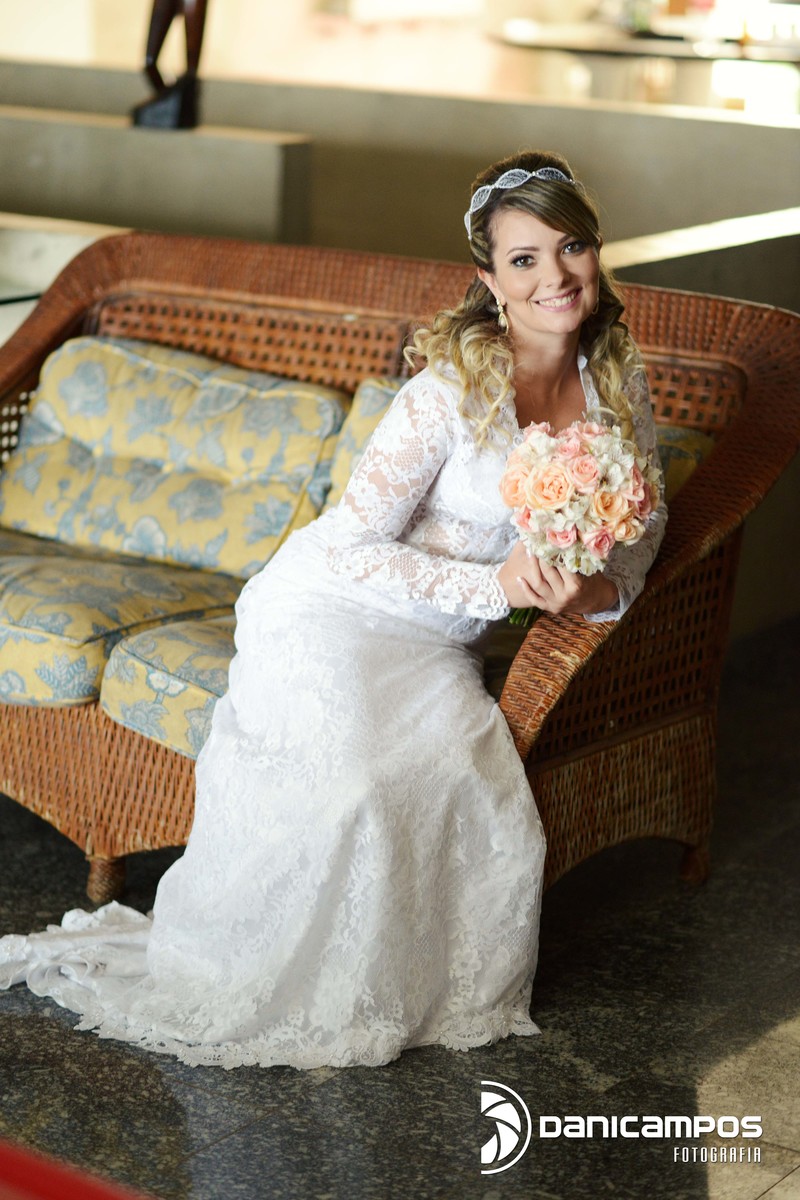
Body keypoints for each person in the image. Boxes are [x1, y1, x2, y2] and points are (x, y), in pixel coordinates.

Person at [0, 150, 666, 1069]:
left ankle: (399, 987)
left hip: (435, 645)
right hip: (330, 608)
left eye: (571, 247)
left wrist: (594, 591)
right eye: (524, 258)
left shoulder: (617, 385)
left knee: (455, 773)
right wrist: (497, 590)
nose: (553, 275)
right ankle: (277, 980)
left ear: (595, 252)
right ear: (490, 282)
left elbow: (644, 525)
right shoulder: (448, 393)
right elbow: (351, 545)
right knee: (352, 782)